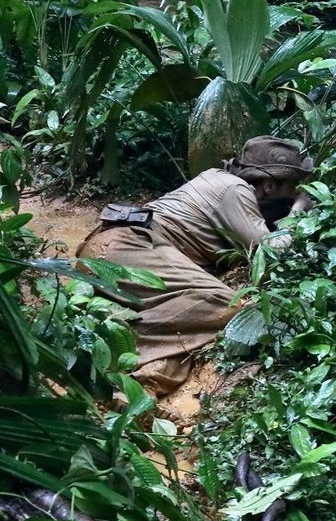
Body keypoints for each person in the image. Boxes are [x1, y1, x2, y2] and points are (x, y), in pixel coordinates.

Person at [76, 136, 314, 395]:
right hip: (128, 248)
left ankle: (144, 383)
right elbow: (270, 251)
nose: (295, 192)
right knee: (234, 308)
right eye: (293, 186)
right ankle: (112, 349)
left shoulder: (217, 178)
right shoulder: (235, 189)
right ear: (268, 184)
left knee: (191, 322)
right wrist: (299, 209)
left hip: (109, 252)